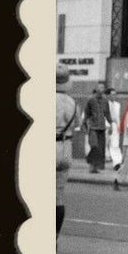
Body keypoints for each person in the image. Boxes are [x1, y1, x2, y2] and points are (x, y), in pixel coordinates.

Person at [55, 68, 78, 238]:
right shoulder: (72, 103)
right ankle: (54, 238)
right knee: (58, 196)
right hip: (66, 147)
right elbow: (76, 124)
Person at [83, 84, 110, 173]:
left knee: (101, 148)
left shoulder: (105, 101)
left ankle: (95, 167)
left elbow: (107, 113)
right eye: (100, 87)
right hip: (93, 127)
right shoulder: (91, 100)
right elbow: (86, 113)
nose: (101, 89)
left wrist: (112, 124)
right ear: (96, 89)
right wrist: (84, 124)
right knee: (94, 146)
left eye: (103, 87)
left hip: (102, 127)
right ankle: (91, 164)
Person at [105, 86, 123, 169]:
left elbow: (117, 117)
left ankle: (117, 163)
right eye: (112, 94)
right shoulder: (104, 104)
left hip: (115, 126)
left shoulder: (117, 105)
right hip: (106, 126)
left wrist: (119, 127)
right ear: (107, 95)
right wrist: (108, 126)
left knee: (115, 144)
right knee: (104, 145)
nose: (114, 96)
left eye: (115, 94)